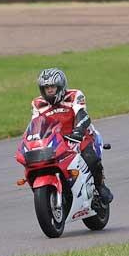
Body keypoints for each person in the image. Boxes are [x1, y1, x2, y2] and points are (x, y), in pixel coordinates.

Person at [32, 68, 113, 208]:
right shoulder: (37, 103)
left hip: (79, 134)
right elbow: (35, 124)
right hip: (55, 140)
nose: (50, 90)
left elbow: (82, 114)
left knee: (90, 157)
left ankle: (100, 187)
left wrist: (78, 132)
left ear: (61, 86)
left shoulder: (75, 95)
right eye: (46, 88)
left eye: (52, 87)